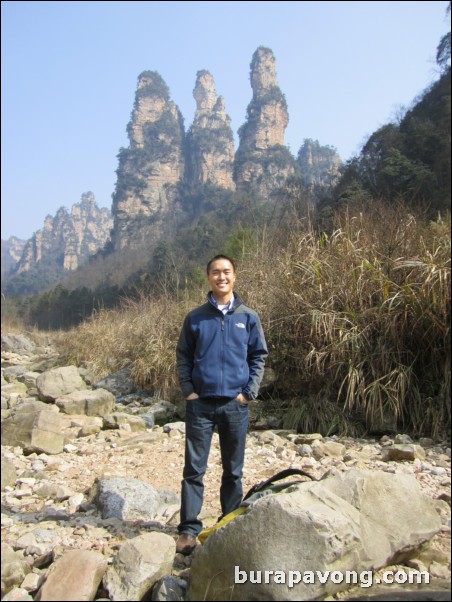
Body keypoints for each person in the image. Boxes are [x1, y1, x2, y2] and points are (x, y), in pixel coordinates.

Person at [175, 254, 268, 554]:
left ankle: (228, 523)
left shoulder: (248, 317)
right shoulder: (196, 318)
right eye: (215, 272)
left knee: (233, 470)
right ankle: (189, 530)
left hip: (234, 404)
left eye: (226, 272)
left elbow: (258, 356)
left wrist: (248, 392)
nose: (221, 277)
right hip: (200, 404)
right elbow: (183, 356)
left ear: (234, 276)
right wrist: (189, 390)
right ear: (208, 277)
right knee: (194, 469)